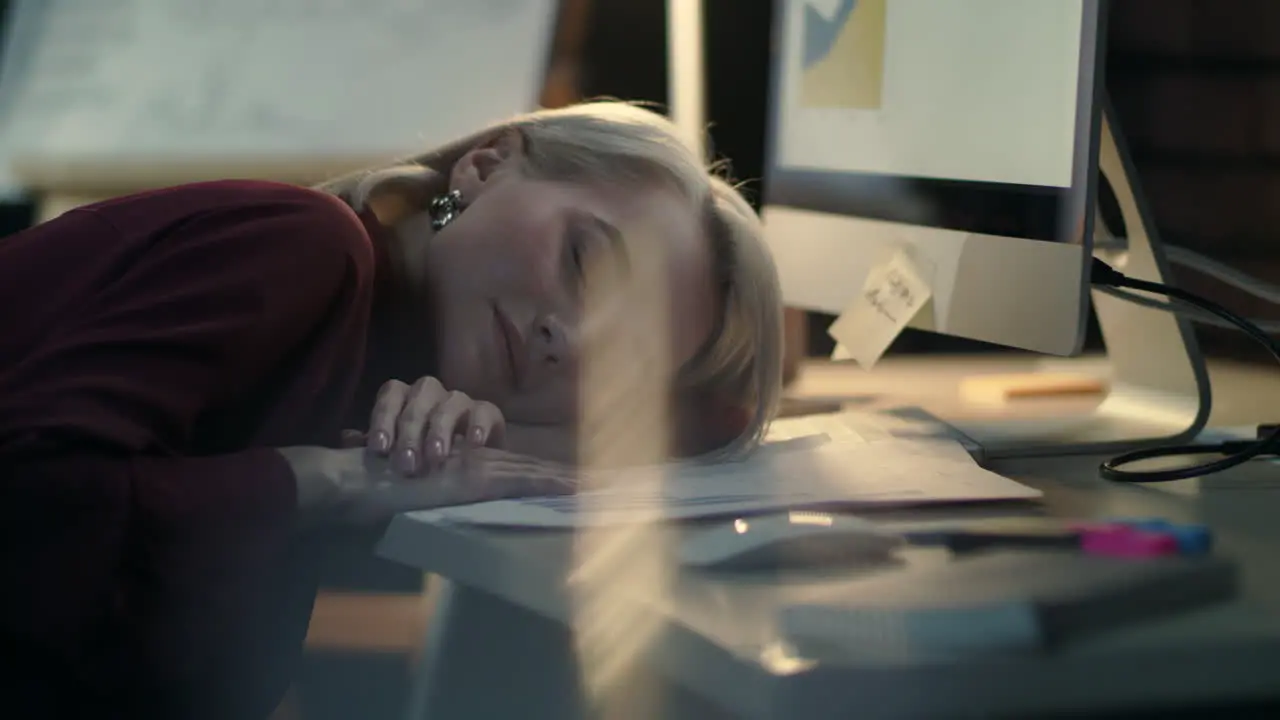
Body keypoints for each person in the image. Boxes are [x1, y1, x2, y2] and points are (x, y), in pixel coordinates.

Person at [0, 101, 783, 718]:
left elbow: (714, 421)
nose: (564, 338)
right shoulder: (311, 247)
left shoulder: (379, 358)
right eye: (585, 260)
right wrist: (324, 481)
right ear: (484, 165)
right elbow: (30, 509)